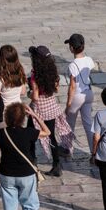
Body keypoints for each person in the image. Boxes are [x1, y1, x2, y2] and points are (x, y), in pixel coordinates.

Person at [28, 44, 68, 176]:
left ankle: (32, 163)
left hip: (38, 110)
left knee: (30, 136)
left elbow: (35, 96)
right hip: (51, 108)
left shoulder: (35, 75)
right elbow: (56, 89)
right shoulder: (53, 72)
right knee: (51, 137)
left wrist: (29, 94)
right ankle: (56, 165)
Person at [64, 31, 97, 161]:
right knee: (88, 124)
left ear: (71, 48)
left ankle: (67, 148)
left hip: (77, 95)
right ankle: (94, 152)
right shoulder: (89, 60)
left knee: (69, 123)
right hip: (88, 93)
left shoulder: (72, 65)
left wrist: (68, 104)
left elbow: (72, 86)